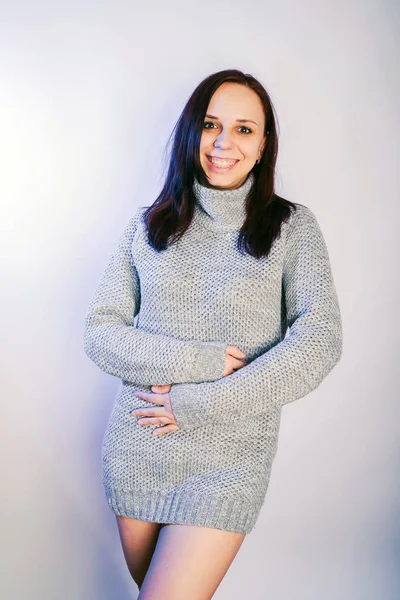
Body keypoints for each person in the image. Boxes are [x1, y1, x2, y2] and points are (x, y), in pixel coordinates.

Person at [83, 68, 343, 599]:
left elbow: (319, 341)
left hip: (230, 455)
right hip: (140, 444)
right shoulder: (147, 225)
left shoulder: (291, 228)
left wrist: (200, 405)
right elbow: (100, 333)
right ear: (190, 132)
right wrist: (202, 360)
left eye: (245, 129)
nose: (224, 142)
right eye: (210, 124)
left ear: (264, 142)